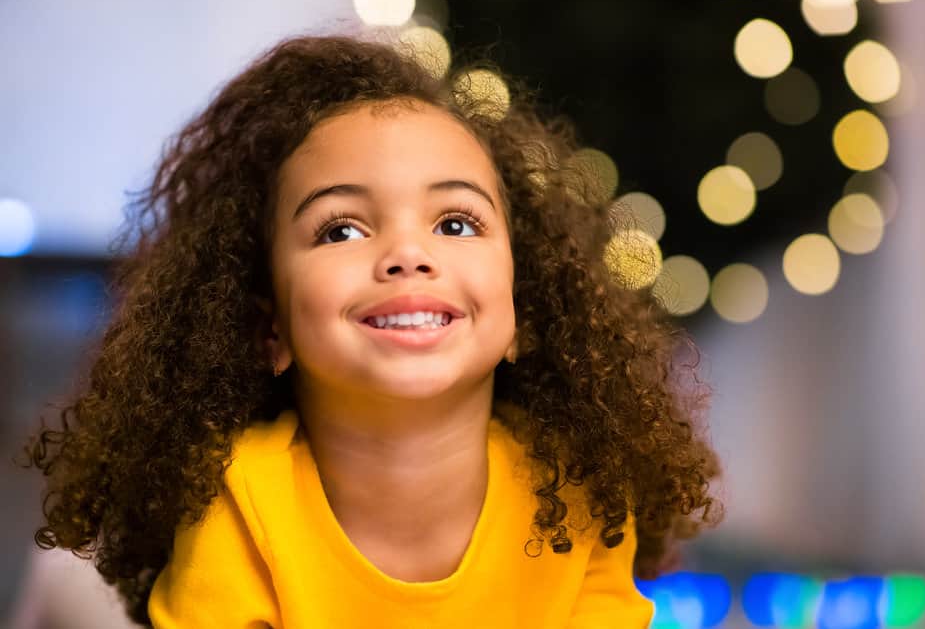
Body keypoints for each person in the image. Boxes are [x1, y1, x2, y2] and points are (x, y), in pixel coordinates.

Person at [22, 32, 721, 628]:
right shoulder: (234, 501)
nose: (408, 254)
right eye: (341, 228)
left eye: (455, 222)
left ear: (524, 318)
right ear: (270, 330)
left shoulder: (578, 492)